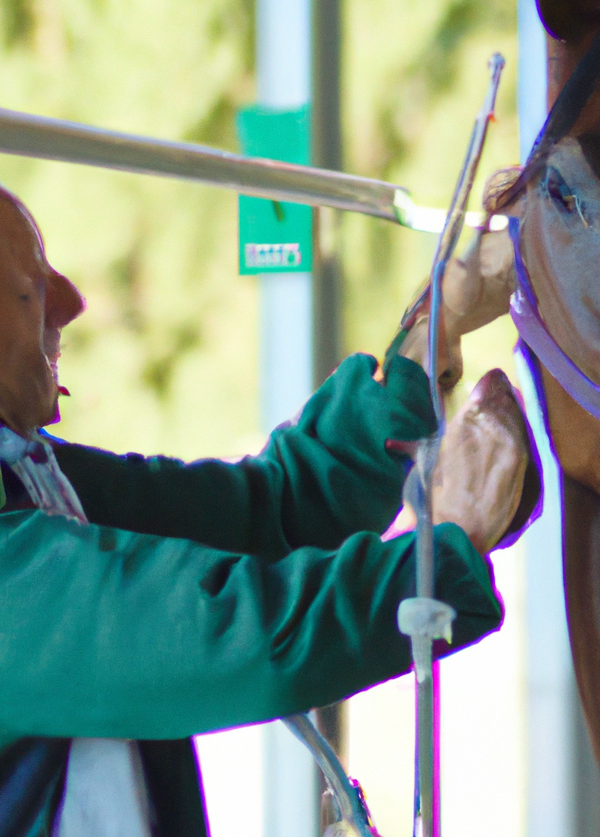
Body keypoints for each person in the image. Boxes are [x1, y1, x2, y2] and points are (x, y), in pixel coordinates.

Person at [0, 186, 529, 837]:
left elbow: (269, 511)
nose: (71, 303)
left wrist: (435, 327)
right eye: (31, 285)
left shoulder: (32, 474)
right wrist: (446, 546)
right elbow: (239, 633)